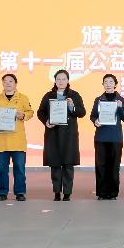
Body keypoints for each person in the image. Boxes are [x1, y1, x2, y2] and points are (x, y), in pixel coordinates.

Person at [37, 69, 86, 201]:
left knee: (68, 164)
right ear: (55, 81)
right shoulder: (48, 95)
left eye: (64, 79)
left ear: (68, 80)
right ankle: (57, 192)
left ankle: (67, 193)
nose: (61, 81)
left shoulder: (74, 95)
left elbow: (82, 112)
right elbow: (40, 112)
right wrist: (46, 121)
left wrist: (72, 107)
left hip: (69, 135)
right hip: (53, 134)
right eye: (58, 79)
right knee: (55, 164)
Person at [0, 74, 34, 202]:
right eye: (5, 81)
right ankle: (2, 192)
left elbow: (30, 112)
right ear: (2, 83)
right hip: (2, 140)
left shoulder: (23, 98)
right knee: (2, 169)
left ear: (15, 83)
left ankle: (20, 192)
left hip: (18, 140)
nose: (7, 83)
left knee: (19, 168)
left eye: (10, 81)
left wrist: (23, 115)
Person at [89, 74, 124, 200]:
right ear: (103, 84)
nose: (108, 84)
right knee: (101, 166)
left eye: (111, 82)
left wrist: (120, 107)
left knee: (114, 166)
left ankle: (112, 193)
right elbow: (93, 116)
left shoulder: (120, 100)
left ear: (115, 84)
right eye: (105, 82)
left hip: (115, 138)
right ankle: (101, 193)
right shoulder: (98, 100)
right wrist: (95, 121)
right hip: (101, 137)